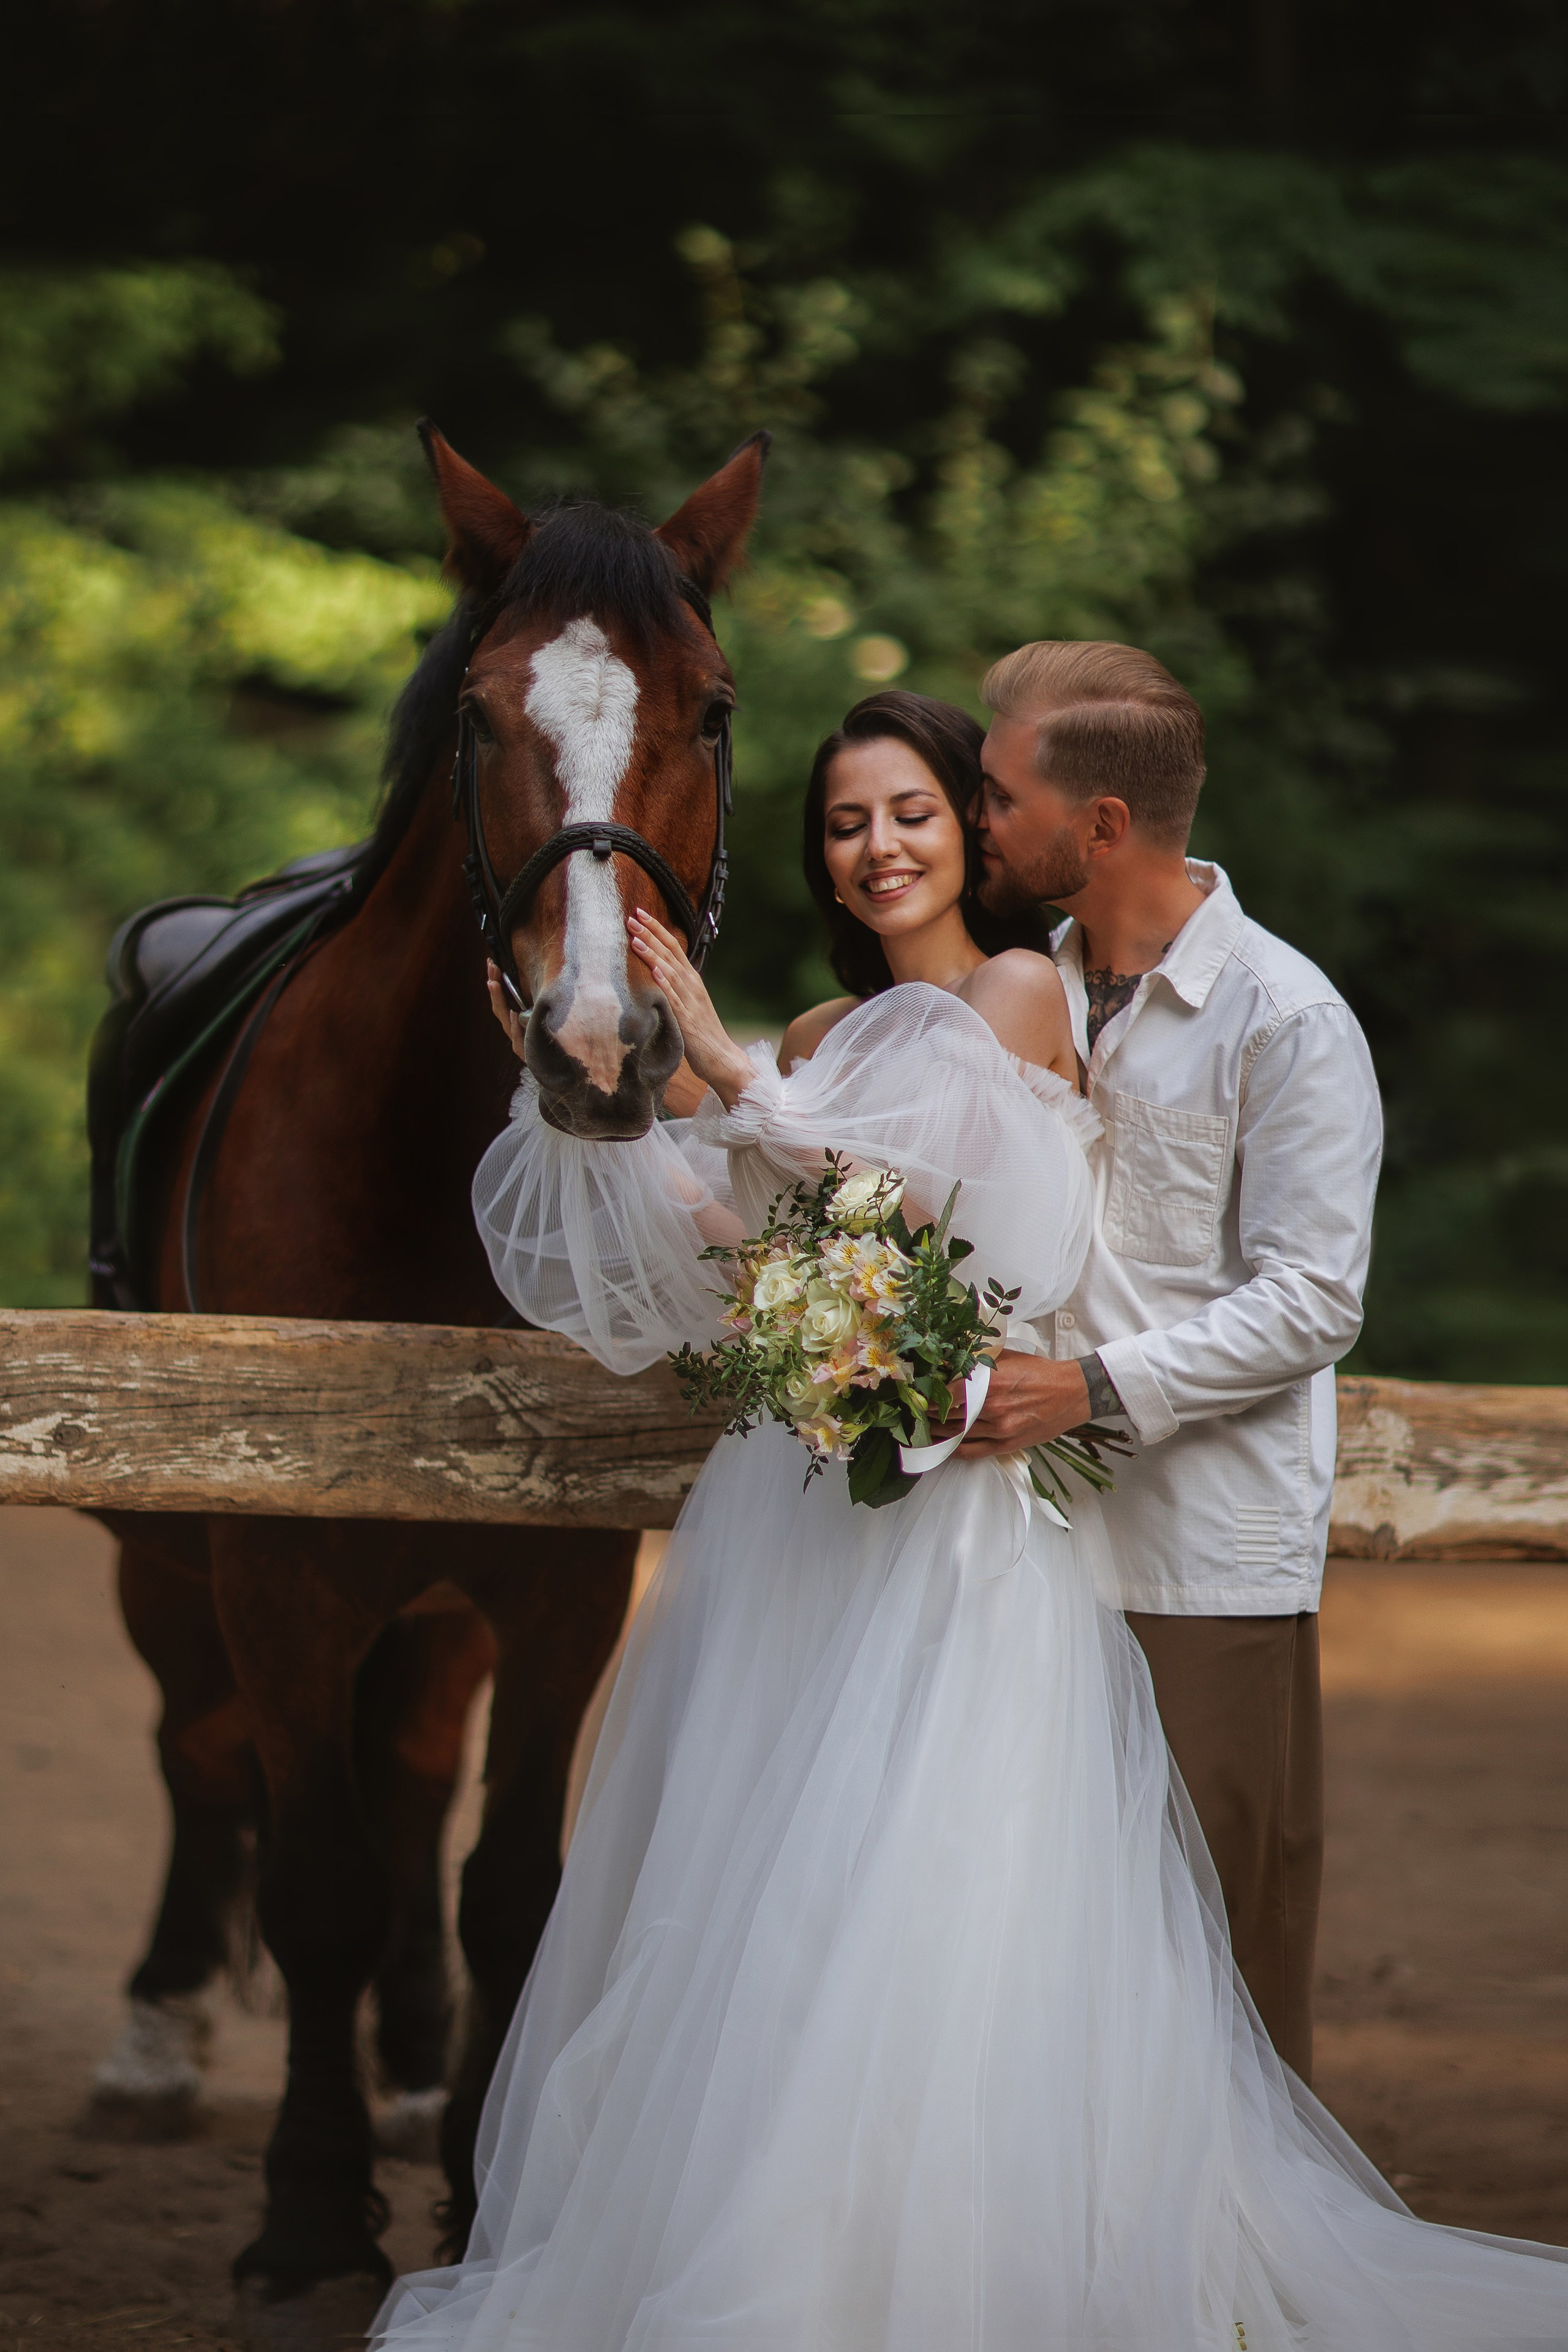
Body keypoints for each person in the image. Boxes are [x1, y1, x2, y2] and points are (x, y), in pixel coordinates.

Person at [374, 689, 1568, 2348]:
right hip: (808, 1517)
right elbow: (763, 1256)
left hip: (968, 1521)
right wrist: (625, 1123)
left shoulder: (1016, 997)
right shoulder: (813, 1037)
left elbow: (908, 1216)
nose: (881, 848)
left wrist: (720, 1064)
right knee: (765, 1905)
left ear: (977, 831)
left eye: (921, 812)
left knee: (933, 1910)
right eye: (848, 822)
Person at [958, 641, 1382, 2084]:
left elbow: (1316, 1297)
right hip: (1016, 1552)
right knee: (1038, 1941)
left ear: (1098, 828)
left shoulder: (1287, 1018)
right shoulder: (1023, 990)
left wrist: (1087, 1390)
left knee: (1214, 1962)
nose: (975, 820)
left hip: (1198, 1559)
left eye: (997, 793)